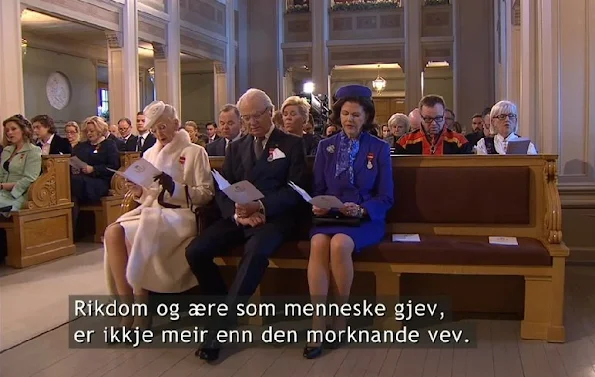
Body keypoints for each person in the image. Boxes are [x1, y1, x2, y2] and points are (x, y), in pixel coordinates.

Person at [185, 88, 307, 361]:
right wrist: (237, 214)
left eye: (257, 116)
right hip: (240, 216)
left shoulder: (291, 144)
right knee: (196, 250)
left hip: (274, 218)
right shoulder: (238, 146)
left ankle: (220, 327)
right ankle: (221, 308)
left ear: (270, 112)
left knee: (255, 253)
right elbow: (223, 186)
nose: (252, 122)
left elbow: (295, 190)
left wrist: (261, 206)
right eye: (246, 117)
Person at [104, 101, 215, 329]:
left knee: (137, 231)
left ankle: (142, 307)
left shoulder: (195, 152)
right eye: (154, 130)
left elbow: (205, 194)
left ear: (176, 124)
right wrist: (138, 190)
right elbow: (148, 193)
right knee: (113, 232)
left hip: (181, 215)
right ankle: (127, 308)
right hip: (152, 211)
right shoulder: (149, 153)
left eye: (163, 127)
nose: (159, 134)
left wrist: (173, 187)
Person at [303, 85, 394, 359]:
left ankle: (340, 320)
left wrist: (362, 210)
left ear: (366, 117)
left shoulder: (379, 149)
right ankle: (318, 325)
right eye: (344, 114)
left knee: (340, 244)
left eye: (355, 114)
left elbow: (386, 197)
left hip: (365, 219)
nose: (349, 120)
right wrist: (318, 205)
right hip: (330, 217)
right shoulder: (325, 147)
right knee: (319, 242)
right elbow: (318, 187)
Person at [70, 116, 120, 227]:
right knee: (70, 184)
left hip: (100, 181)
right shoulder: (82, 146)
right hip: (81, 179)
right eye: (87, 131)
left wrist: (94, 169)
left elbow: (113, 167)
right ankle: (72, 228)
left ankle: (75, 228)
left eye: (92, 131)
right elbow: (73, 159)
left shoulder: (109, 145)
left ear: (100, 130)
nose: (89, 133)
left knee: (74, 183)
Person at [396, 95, 472, 154]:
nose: (434, 123)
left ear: (444, 115)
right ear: (421, 117)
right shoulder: (405, 142)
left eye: (438, 118)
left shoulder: (460, 142)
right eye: (428, 119)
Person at [0, 115, 42, 214]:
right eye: (7, 130)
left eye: (13, 129)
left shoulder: (33, 151)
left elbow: (29, 179)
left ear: (24, 130)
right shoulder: (7, 150)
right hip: (2, 192)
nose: (9, 132)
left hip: (19, 194)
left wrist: (2, 186)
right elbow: (1, 174)